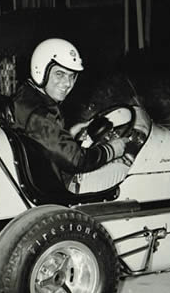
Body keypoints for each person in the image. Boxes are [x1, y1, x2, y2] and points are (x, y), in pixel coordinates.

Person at [10, 38, 129, 191]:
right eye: (60, 74)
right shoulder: (39, 114)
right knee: (126, 170)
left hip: (47, 177)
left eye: (72, 76)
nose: (67, 83)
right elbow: (76, 161)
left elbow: (47, 142)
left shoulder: (26, 97)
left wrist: (70, 133)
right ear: (41, 71)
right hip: (59, 188)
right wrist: (112, 150)